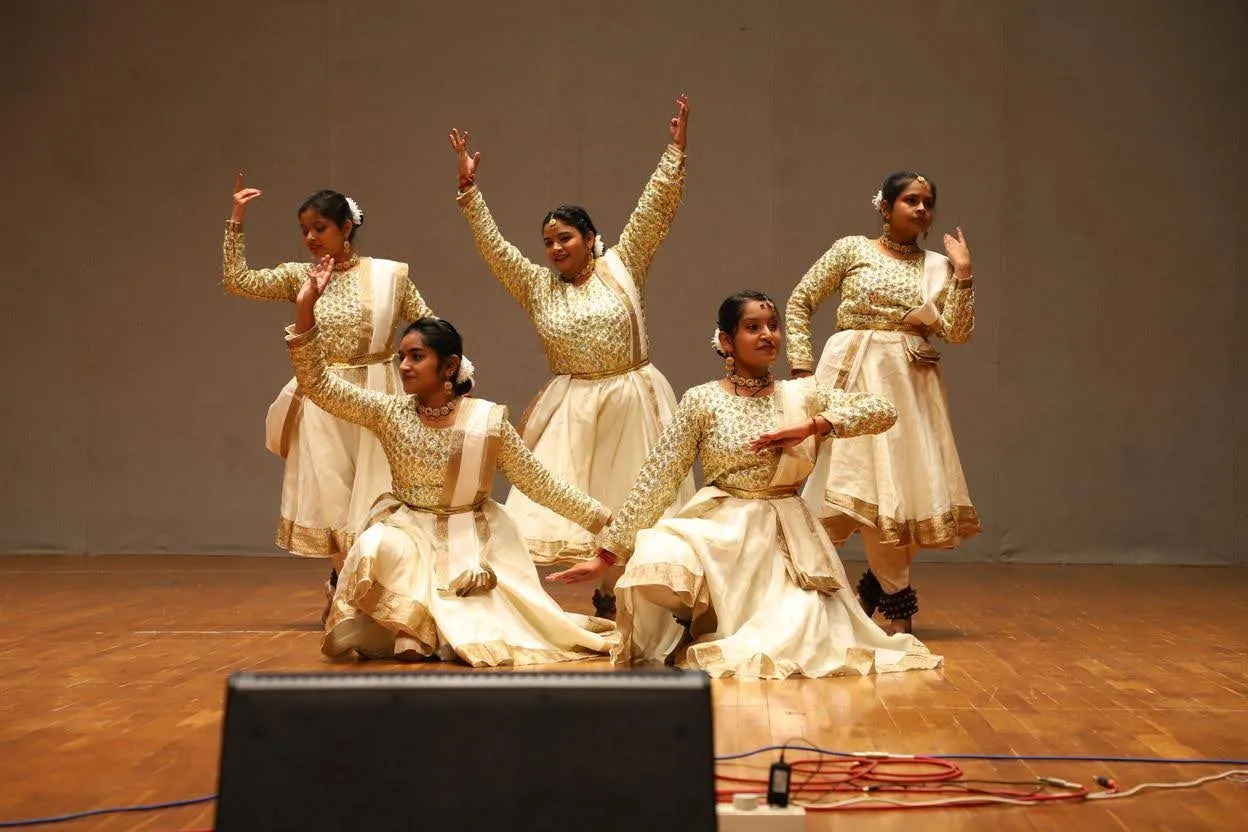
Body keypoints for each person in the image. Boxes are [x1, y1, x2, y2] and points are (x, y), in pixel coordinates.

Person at [549, 292, 941, 679]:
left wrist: (812, 425)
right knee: (654, 564)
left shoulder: (801, 395)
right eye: (753, 327)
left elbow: (882, 411)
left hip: (782, 531)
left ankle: (723, 630)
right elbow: (658, 477)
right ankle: (701, 621)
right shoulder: (702, 400)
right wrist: (605, 556)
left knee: (793, 633)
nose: (768, 334)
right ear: (725, 341)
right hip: (720, 525)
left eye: (773, 326)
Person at [288, 256, 614, 665]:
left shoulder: (486, 421)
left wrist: (606, 522)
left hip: (475, 539)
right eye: (401, 357)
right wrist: (305, 309)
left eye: (416, 356)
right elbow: (317, 384)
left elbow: (539, 483)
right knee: (372, 544)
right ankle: (411, 631)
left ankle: (430, 633)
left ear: (450, 364)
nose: (404, 366)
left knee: (481, 633)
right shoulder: (390, 413)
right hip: (410, 530)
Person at [447, 96, 696, 618]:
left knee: (635, 496)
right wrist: (471, 193)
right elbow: (496, 251)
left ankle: (627, 597)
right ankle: (594, 597)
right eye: (548, 242)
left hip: (633, 396)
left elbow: (654, 210)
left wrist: (674, 151)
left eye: (565, 238)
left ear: (589, 238)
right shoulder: (538, 286)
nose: (555, 248)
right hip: (572, 403)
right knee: (571, 503)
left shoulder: (623, 265)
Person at [223, 176, 433, 614]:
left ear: (346, 227)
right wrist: (237, 218)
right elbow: (238, 280)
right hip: (322, 397)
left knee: (379, 495)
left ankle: (385, 591)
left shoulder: (389, 276)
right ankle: (347, 589)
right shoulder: (301, 277)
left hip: (379, 397)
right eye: (305, 230)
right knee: (335, 499)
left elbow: (428, 326)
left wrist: (454, 373)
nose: (311, 238)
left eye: (320, 228)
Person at [784, 171, 979, 634]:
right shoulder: (852, 249)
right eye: (911, 200)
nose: (921, 210)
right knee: (852, 485)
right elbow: (799, 301)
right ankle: (886, 602)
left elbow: (958, 332)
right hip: (851, 377)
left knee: (906, 489)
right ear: (885, 207)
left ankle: (879, 586)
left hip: (911, 385)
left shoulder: (938, 265)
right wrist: (801, 373)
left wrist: (964, 274)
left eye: (928, 203)